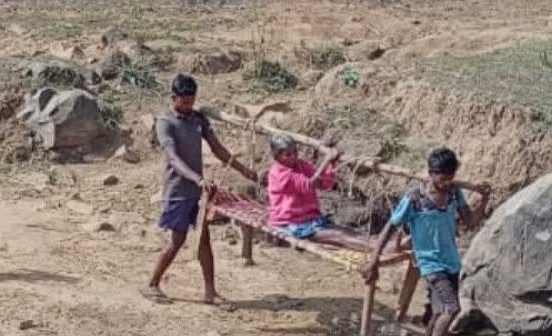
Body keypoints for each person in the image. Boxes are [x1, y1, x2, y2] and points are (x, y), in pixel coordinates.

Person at [365, 148, 490, 336]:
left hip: (451, 261)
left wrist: (484, 200)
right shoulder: (414, 199)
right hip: (430, 263)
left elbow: (471, 222)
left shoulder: (454, 194)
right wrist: (374, 260)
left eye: (451, 178)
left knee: (437, 312)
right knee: (452, 308)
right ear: (431, 174)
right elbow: (389, 228)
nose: (447, 183)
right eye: (442, 179)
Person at [144, 74, 257, 309]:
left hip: (198, 191)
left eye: (191, 102)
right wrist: (197, 178)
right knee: (178, 240)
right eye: (184, 102)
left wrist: (243, 170)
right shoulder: (165, 122)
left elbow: (217, 148)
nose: (188, 107)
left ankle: (210, 292)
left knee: (204, 240)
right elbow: (172, 158)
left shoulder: (198, 119)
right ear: (173, 98)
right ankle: (153, 283)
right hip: (177, 190)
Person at [267, 134, 384, 249]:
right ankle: (379, 248)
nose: (293, 156)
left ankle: (380, 243)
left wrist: (331, 164)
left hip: (310, 218)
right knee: (339, 235)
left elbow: (323, 183)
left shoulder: (300, 165)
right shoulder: (279, 173)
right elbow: (309, 185)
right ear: (277, 157)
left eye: (295, 152)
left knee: (347, 231)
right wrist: (326, 160)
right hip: (292, 223)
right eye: (288, 154)